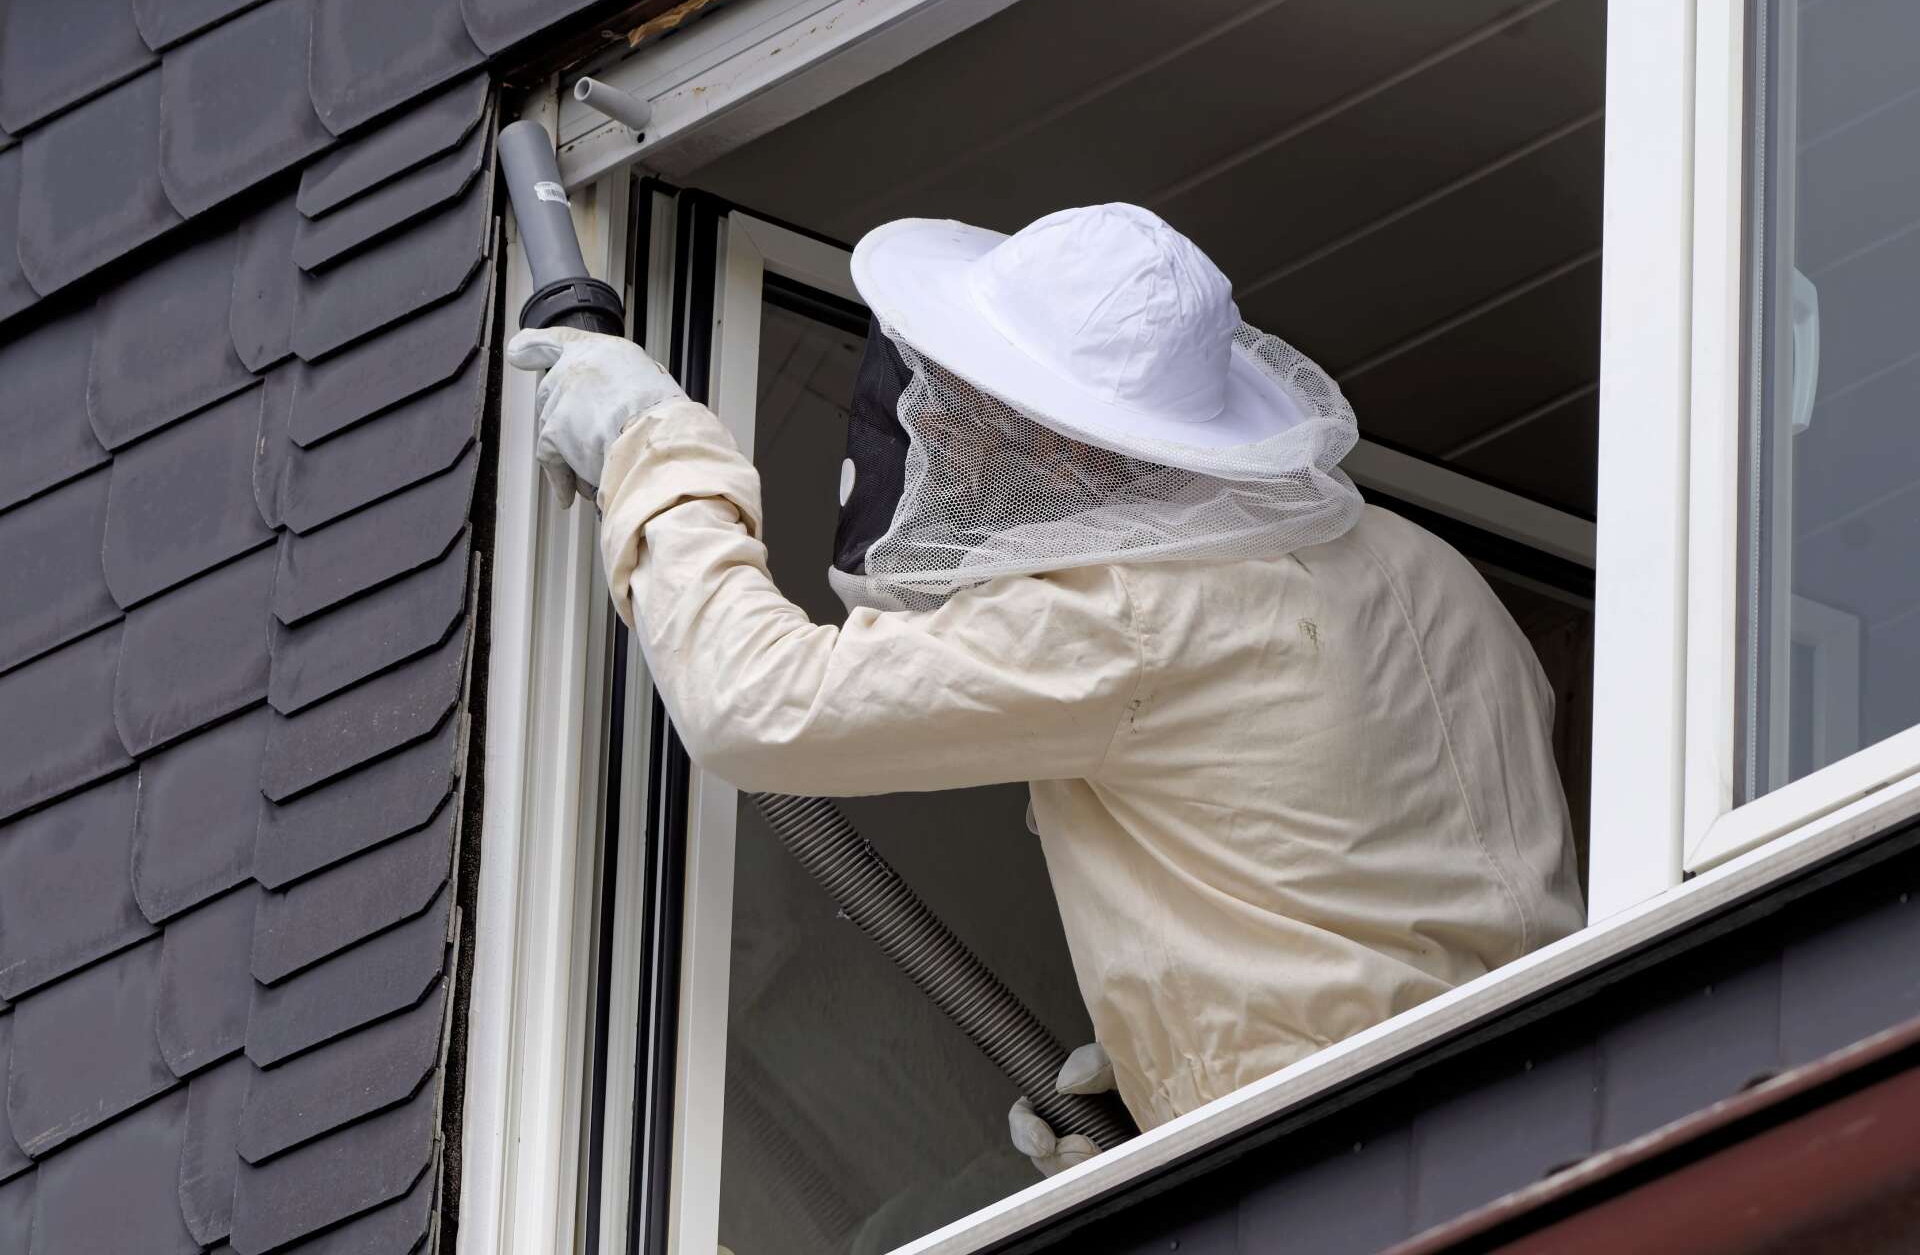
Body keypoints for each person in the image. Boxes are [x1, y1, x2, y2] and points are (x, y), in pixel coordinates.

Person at [507, 203, 1585, 1177]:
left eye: (983, 419)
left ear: (1069, 456)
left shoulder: (1132, 606)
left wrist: (650, 446)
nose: (949, 445)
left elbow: (756, 702)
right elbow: (1381, 905)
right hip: (1551, 1118)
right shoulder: (1430, 570)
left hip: (1344, 1163)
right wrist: (1173, 1078)